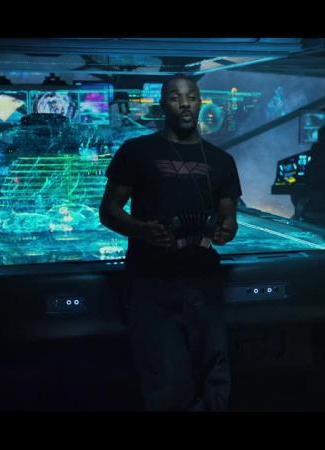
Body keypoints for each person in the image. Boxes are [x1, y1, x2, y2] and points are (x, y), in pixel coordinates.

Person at [99, 74, 242, 411]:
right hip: (151, 281)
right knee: (165, 378)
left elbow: (229, 217)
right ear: (163, 104)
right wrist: (140, 230)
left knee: (214, 373)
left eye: (191, 96)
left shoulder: (222, 161)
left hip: (204, 281)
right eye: (176, 97)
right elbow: (108, 211)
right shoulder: (136, 151)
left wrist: (227, 229)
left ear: (200, 101)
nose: (185, 104)